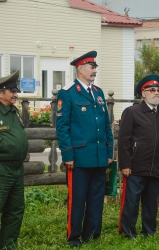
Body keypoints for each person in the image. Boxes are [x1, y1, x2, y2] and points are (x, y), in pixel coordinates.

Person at [56, 51, 113, 248]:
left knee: (96, 198)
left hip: (98, 157)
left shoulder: (97, 92)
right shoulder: (68, 92)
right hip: (79, 157)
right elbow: (62, 127)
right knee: (77, 199)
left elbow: (106, 125)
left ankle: (93, 234)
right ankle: (74, 237)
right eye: (91, 66)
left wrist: (109, 152)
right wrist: (67, 155)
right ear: (80, 68)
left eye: (95, 67)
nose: (94, 70)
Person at [118, 74, 159, 238]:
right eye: (152, 90)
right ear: (143, 93)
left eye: (158, 90)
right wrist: (125, 164)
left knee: (151, 203)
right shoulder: (132, 112)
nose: (156, 93)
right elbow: (124, 141)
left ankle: (149, 232)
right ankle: (128, 232)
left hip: (156, 168)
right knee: (132, 202)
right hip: (135, 167)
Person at [0, 71, 28, 250]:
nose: (16, 94)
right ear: (1, 92)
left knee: (15, 211)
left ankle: (8, 246)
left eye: (16, 90)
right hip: (2, 169)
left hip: (17, 170)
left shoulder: (13, 112)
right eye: (12, 91)